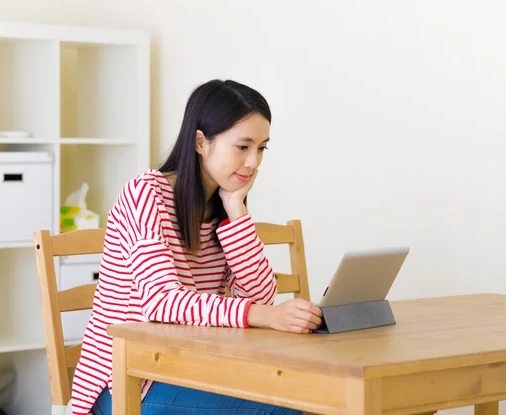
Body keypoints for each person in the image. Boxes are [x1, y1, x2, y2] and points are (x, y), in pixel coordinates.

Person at [69, 79, 323, 415]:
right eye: (243, 147)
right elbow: (161, 302)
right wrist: (264, 316)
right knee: (289, 410)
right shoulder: (144, 195)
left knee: (316, 398)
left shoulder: (222, 203)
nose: (253, 163)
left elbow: (261, 298)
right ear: (201, 141)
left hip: (192, 369)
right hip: (128, 382)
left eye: (261, 148)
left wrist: (236, 207)